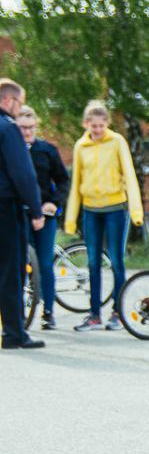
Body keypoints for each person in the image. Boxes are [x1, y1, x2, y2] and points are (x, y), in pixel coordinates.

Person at [63, 100, 144, 332]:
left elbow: (130, 175)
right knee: (93, 263)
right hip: (91, 211)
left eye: (101, 125)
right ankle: (94, 315)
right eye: (93, 126)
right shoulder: (81, 146)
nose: (97, 130)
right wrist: (71, 219)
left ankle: (118, 313)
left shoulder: (117, 142)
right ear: (86, 124)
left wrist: (136, 211)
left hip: (115, 209)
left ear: (107, 123)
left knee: (116, 260)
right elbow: (76, 183)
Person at [0, 79, 46, 350]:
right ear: (9, 100)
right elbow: (23, 173)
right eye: (19, 104)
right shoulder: (8, 128)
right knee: (10, 271)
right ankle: (14, 334)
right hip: (5, 207)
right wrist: (36, 208)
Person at [16, 105, 69, 330]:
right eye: (22, 128)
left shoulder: (47, 150)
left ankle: (48, 312)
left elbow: (63, 180)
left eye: (31, 127)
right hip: (19, 214)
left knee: (45, 263)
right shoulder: (10, 150)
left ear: (36, 126)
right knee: (18, 263)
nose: (27, 132)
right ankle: (18, 313)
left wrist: (53, 203)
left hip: (45, 215)